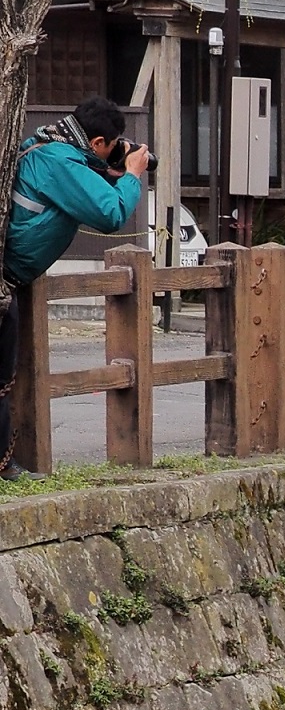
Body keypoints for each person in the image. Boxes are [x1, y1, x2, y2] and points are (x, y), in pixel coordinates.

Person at [0, 98, 148, 475]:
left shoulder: (46, 145)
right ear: (98, 142)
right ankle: (3, 466)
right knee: (0, 377)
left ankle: (4, 464)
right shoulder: (60, 162)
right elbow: (111, 214)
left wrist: (107, 172)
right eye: (113, 145)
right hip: (6, 278)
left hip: (11, 278)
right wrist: (131, 175)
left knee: (3, 374)